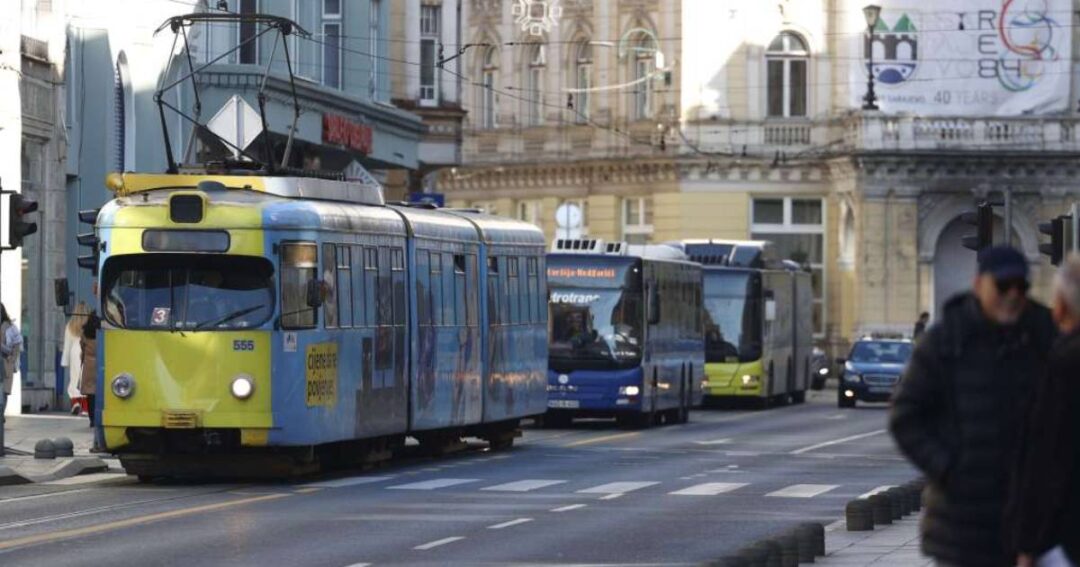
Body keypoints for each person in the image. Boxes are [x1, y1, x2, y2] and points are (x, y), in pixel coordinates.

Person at [889, 246, 1057, 567]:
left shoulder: (1042, 334)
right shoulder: (945, 340)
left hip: (1030, 522)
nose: (1012, 295)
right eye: (1003, 286)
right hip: (961, 526)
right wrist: (948, 467)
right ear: (979, 284)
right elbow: (905, 416)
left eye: (1020, 287)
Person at [1008, 255, 1080, 566]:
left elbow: (1045, 460)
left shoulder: (1064, 364)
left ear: (1062, 306)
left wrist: (1026, 544)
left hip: (1067, 537)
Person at [61, 302, 90, 415]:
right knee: (86, 378)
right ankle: (85, 406)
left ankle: (75, 403)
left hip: (74, 350)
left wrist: (65, 361)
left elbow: (67, 345)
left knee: (74, 378)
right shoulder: (88, 324)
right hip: (86, 350)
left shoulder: (70, 325)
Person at [0, 304, 22, 416]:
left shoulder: (10, 328)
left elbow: (17, 346)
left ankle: (1, 414)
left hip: (5, 363)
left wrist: (12, 359)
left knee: (4, 392)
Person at [80, 312, 100, 428]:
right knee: (99, 392)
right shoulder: (101, 332)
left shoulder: (85, 333)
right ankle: (98, 417)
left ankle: (91, 418)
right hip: (101, 362)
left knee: (90, 393)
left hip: (88, 364)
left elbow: (82, 346)